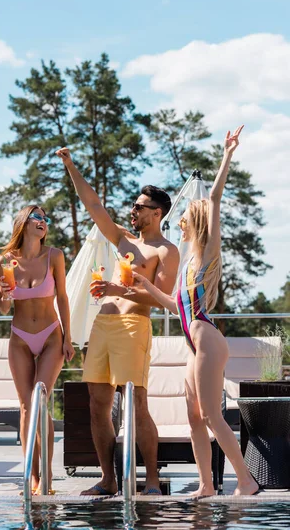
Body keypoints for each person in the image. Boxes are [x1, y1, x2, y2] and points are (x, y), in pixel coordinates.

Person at [133, 126, 259, 496]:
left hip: (207, 340)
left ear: (195, 223)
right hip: (194, 344)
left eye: (184, 218)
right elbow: (176, 306)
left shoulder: (206, 256)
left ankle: (246, 482)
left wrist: (227, 155)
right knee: (194, 419)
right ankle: (206, 484)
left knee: (211, 415)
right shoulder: (188, 267)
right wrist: (145, 287)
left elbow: (215, 197)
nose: (179, 222)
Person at [56, 147, 180, 496]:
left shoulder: (165, 251)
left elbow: (162, 299)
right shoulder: (123, 239)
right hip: (102, 328)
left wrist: (118, 289)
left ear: (156, 214)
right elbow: (94, 207)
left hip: (132, 328)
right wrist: (71, 165)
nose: (133, 210)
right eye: (134, 206)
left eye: (139, 207)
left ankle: (152, 480)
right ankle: (108, 479)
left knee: (137, 404)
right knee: (97, 403)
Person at [0, 204, 74, 495]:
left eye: (46, 218)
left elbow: (63, 298)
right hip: (19, 337)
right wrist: (5, 294)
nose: (43, 222)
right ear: (23, 223)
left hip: (51, 334)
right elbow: (4, 307)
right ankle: (31, 475)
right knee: (27, 407)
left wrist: (68, 337)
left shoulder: (54, 256)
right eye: (37, 217)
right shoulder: (6, 260)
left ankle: (48, 479)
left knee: (41, 400)